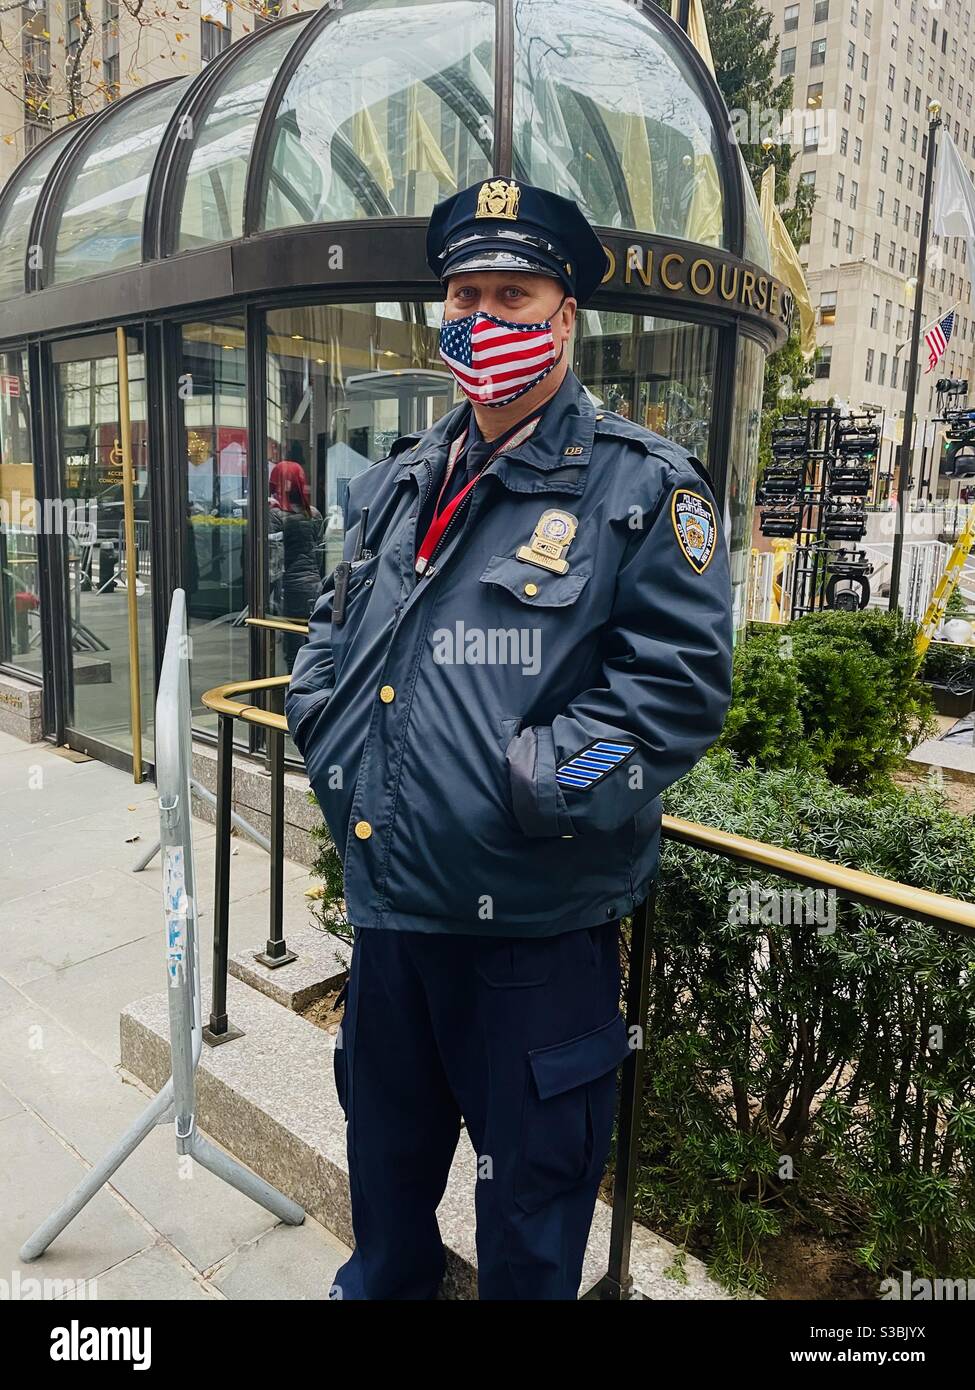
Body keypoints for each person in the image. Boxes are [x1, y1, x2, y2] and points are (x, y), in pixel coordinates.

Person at [286, 177, 734, 1300]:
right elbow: (334, 629)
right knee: (385, 1210)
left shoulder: (641, 488)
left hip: (534, 944)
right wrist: (321, 726)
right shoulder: (402, 480)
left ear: (565, 315)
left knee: (530, 1235)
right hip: (392, 924)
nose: (486, 317)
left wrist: (535, 785)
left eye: (515, 293)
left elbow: (674, 697)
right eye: (466, 292)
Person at [267, 459, 324, 671]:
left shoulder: (274, 515)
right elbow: (318, 554)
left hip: (289, 590)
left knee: (292, 651)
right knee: (311, 645)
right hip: (313, 586)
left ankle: (292, 696)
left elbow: (273, 562)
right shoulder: (314, 514)